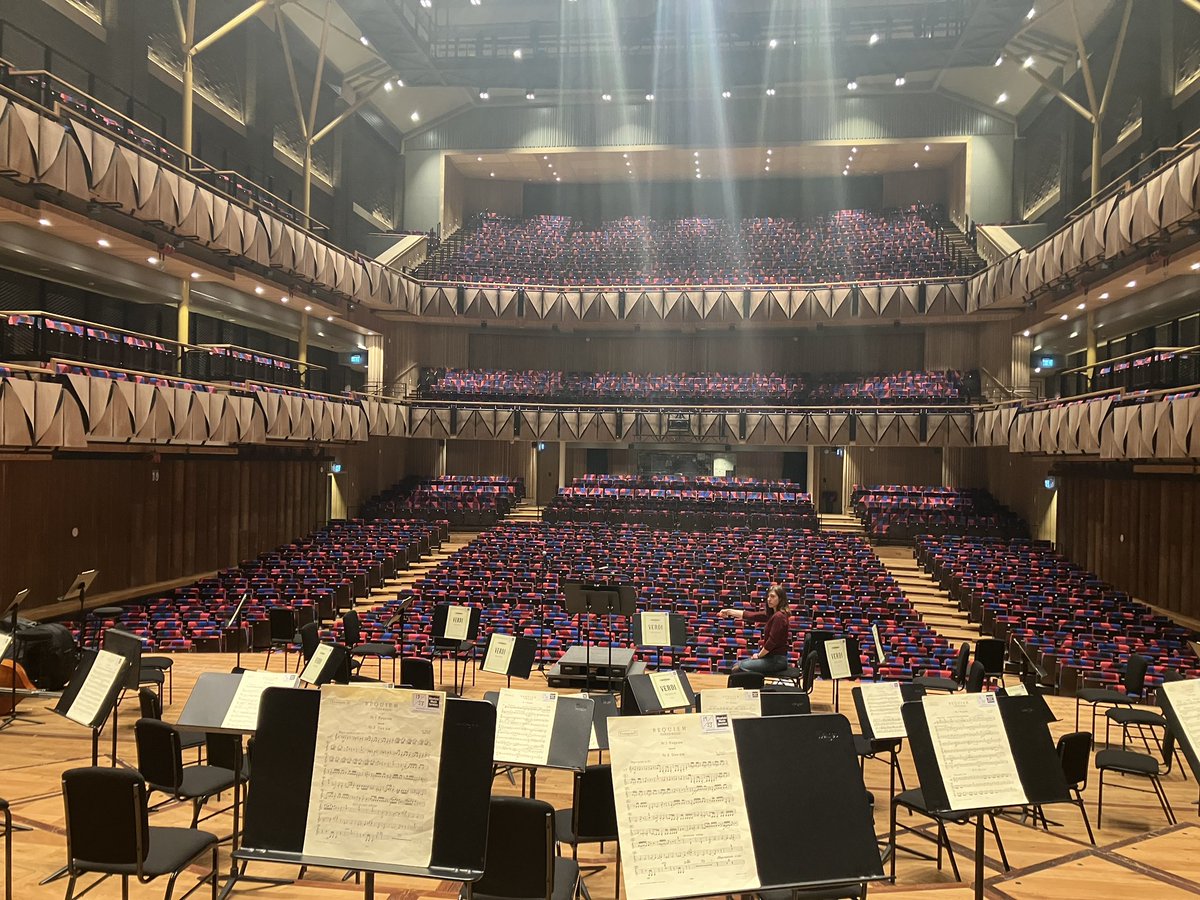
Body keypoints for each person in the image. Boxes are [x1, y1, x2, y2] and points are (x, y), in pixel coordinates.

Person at [719, 584, 791, 675]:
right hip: (771, 658)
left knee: (738, 668)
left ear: (780, 599)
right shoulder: (773, 615)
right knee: (737, 666)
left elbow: (771, 642)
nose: (769, 599)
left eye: (772, 596)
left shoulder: (779, 617)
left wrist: (759, 655)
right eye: (768, 596)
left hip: (776, 661)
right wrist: (729, 611)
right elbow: (751, 615)